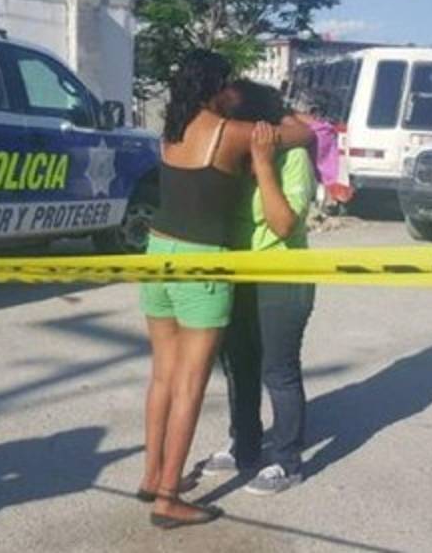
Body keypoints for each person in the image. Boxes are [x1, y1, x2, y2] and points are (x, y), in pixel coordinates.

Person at [138, 52, 311, 529]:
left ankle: (151, 477)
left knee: (162, 377)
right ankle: (168, 498)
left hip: (157, 251)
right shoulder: (232, 133)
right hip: (201, 260)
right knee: (190, 383)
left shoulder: (171, 131)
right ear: (216, 86)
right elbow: (304, 134)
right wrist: (277, 115)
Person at [197, 80, 318, 495]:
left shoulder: (292, 156)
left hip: (282, 274)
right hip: (238, 272)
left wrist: (265, 164)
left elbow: (283, 224)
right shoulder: (232, 154)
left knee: (278, 370)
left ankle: (287, 459)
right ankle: (244, 444)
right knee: (239, 365)